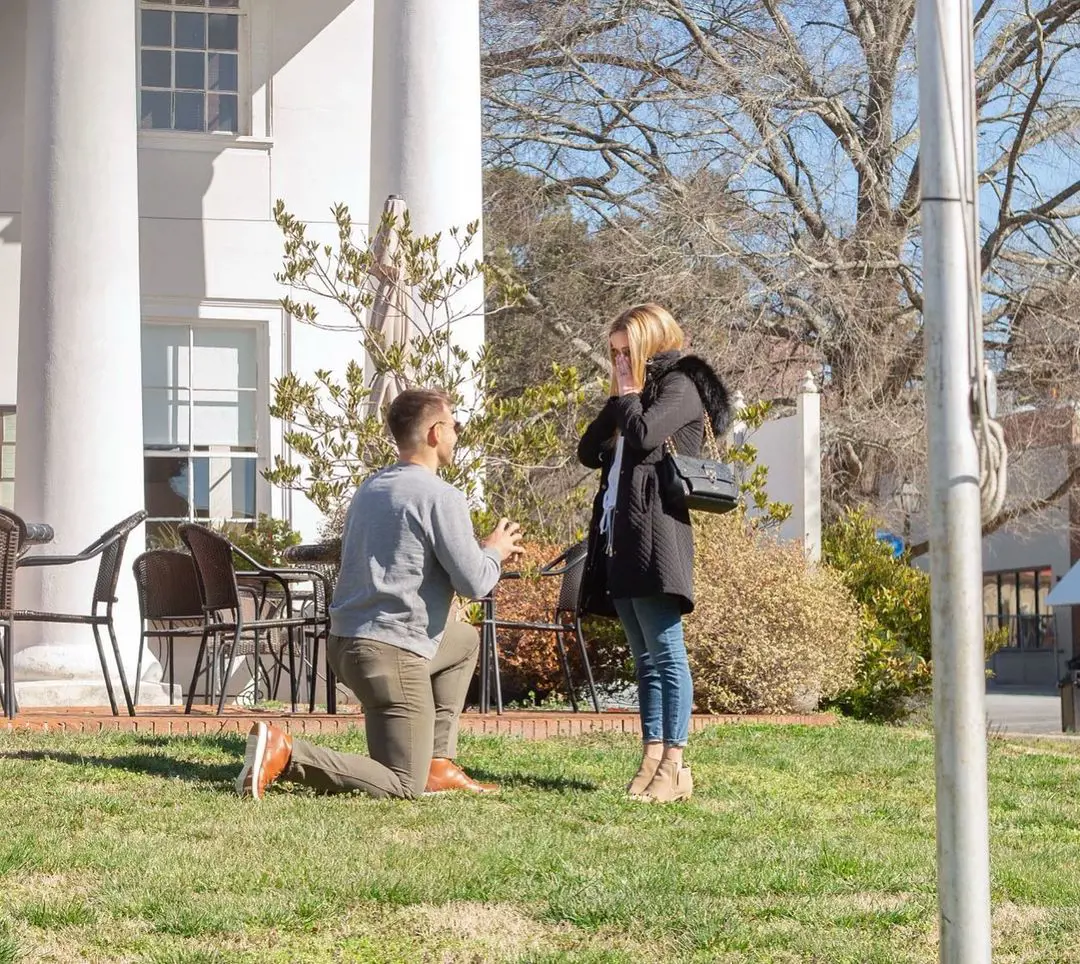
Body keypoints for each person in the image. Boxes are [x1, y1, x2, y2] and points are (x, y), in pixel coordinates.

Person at [236, 387, 524, 801]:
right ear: (435, 432)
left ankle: (437, 763)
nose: (458, 435)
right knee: (401, 783)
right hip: (392, 655)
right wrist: (494, 551)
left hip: (348, 646)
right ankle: (286, 753)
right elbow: (475, 582)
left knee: (462, 641)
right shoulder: (441, 496)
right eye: (455, 426)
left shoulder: (370, 489)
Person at [577, 304, 730, 803]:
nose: (620, 361)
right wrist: (621, 397)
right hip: (620, 536)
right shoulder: (634, 395)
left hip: (658, 534)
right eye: (614, 353)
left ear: (650, 345)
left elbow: (642, 438)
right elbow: (586, 449)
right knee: (643, 659)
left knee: (666, 654)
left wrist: (626, 397)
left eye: (628, 351)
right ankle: (651, 755)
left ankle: (675, 763)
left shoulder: (680, 387)